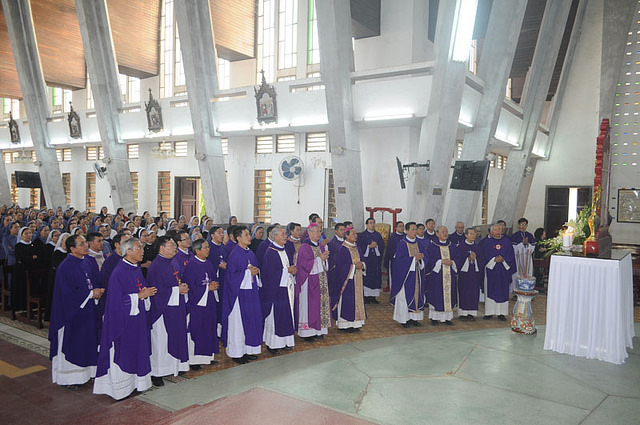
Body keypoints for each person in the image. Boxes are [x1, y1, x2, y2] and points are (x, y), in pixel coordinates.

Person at [93, 238, 158, 400]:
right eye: (138, 248)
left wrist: (144, 294)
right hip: (123, 323)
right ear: (128, 251)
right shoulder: (119, 272)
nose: (142, 251)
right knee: (124, 352)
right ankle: (120, 390)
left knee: (137, 350)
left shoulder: (135, 269)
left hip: (137, 321)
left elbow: (141, 290)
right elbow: (115, 302)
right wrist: (139, 296)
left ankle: (137, 384)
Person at [49, 235, 105, 389]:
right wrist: (90, 294)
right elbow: (66, 293)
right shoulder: (65, 267)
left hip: (88, 309)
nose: (86, 246)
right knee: (74, 343)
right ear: (72, 249)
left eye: (86, 243)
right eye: (82, 244)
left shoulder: (88, 261)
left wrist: (97, 290)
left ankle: (88, 373)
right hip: (72, 313)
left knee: (88, 341)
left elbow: (94, 281)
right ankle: (70, 378)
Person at [146, 236, 190, 386]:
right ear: (161, 248)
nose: (175, 248)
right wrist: (177, 290)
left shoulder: (171, 263)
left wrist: (182, 287)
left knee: (172, 338)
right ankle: (157, 373)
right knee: (161, 342)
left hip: (174, 307)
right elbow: (156, 291)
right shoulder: (156, 266)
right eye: (171, 245)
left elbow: (175, 281)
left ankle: (172, 367)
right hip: (162, 310)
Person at [221, 226, 263, 364]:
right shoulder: (235, 254)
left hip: (250, 294)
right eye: (246, 235)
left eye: (249, 234)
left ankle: (248, 350)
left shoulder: (250, 253)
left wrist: (256, 271)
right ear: (238, 238)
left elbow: (255, 269)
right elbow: (231, 277)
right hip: (238, 296)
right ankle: (237, 353)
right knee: (238, 325)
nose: (249, 237)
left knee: (250, 322)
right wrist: (248, 273)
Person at [183, 238, 220, 369]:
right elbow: (190, 287)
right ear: (197, 250)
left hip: (209, 301)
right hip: (197, 304)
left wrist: (214, 285)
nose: (208, 250)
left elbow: (213, 279)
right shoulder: (191, 265)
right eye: (205, 248)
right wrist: (207, 288)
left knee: (209, 328)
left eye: (208, 247)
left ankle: (208, 357)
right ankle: (194, 360)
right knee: (198, 330)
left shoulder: (208, 263)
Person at [259, 225, 296, 354]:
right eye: (283, 234)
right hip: (276, 291)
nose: (286, 236)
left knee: (286, 316)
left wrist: (291, 271)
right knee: (276, 318)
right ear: (275, 236)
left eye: (285, 234)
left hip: (286, 288)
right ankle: (273, 344)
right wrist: (287, 271)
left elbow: (286, 267)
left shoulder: (284, 250)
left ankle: (286, 341)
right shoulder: (271, 252)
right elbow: (269, 274)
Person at [295, 223, 331, 342]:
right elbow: (304, 266)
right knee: (309, 306)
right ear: (309, 232)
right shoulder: (304, 247)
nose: (319, 234)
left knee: (320, 305)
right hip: (308, 282)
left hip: (321, 280)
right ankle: (307, 332)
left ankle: (318, 330)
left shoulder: (320, 246)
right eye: (316, 231)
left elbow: (324, 264)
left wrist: (324, 259)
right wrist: (320, 259)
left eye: (320, 231)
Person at [390, 222, 427, 327]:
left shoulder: (419, 243)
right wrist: (414, 259)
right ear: (407, 231)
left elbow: (425, 255)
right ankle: (404, 319)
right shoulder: (402, 244)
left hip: (417, 275)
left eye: (416, 229)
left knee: (417, 296)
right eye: (413, 229)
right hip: (405, 276)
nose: (415, 232)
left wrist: (422, 258)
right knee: (404, 297)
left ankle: (414, 319)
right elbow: (399, 261)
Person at [332, 226, 366, 332]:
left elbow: (363, 260)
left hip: (358, 279)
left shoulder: (357, 248)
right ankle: (345, 325)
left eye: (356, 234)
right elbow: (340, 267)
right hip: (347, 281)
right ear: (347, 236)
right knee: (347, 302)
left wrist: (362, 265)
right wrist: (354, 266)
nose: (356, 236)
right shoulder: (343, 249)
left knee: (357, 301)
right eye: (353, 234)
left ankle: (356, 324)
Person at [480, 223, 516, 321]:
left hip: (503, 271)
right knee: (490, 289)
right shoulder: (486, 242)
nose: (497, 231)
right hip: (491, 270)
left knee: (502, 290)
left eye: (499, 229)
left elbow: (511, 256)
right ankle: (489, 312)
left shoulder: (507, 242)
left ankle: (501, 313)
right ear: (491, 231)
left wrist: (503, 259)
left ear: (502, 231)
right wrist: (493, 259)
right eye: (495, 230)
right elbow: (483, 256)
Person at [425, 226, 459, 326]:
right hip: (437, 276)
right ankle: (434, 318)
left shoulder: (452, 246)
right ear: (437, 234)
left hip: (449, 275)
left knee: (449, 295)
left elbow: (458, 258)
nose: (445, 233)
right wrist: (440, 262)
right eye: (442, 231)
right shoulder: (432, 246)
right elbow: (429, 260)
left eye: (446, 231)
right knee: (436, 296)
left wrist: (452, 262)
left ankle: (447, 318)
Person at [457, 228, 484, 321]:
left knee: (473, 293)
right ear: (466, 235)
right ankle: (463, 313)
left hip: (474, 274)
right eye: (471, 234)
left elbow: (482, 260)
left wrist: (475, 259)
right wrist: (468, 259)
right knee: (464, 292)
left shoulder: (478, 247)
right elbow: (457, 259)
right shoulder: (461, 247)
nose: (473, 235)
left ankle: (471, 313)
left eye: (474, 234)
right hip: (464, 275)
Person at [358, 218, 385, 304]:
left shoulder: (378, 235)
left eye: (373, 223)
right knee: (367, 277)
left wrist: (376, 246)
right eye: (370, 223)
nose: (372, 224)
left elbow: (382, 246)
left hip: (375, 260)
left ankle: (373, 297)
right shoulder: (362, 235)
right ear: (366, 225)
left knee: (375, 277)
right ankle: (366, 296)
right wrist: (368, 246)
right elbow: (359, 247)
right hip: (367, 260)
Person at [14, 227, 39, 313]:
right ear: (21, 236)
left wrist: (30, 258)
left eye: (30, 233)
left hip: (32, 270)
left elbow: (37, 256)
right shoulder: (18, 246)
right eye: (26, 233)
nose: (29, 235)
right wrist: (31, 257)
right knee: (23, 288)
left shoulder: (34, 245)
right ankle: (22, 306)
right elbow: (20, 259)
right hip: (21, 271)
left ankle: (33, 305)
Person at [511, 217, 536, 283]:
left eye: (525, 224)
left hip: (527, 257)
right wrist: (522, 244)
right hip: (518, 257)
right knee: (517, 273)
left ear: (527, 226)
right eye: (522, 224)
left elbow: (533, 246)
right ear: (518, 225)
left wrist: (527, 244)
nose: (523, 226)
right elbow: (513, 247)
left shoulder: (529, 235)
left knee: (528, 272)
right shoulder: (515, 235)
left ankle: (527, 285)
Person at [383, 221, 405, 292]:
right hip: (394, 260)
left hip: (404, 260)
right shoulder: (393, 237)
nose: (402, 228)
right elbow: (389, 249)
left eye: (403, 226)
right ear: (396, 228)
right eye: (400, 226)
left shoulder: (406, 236)